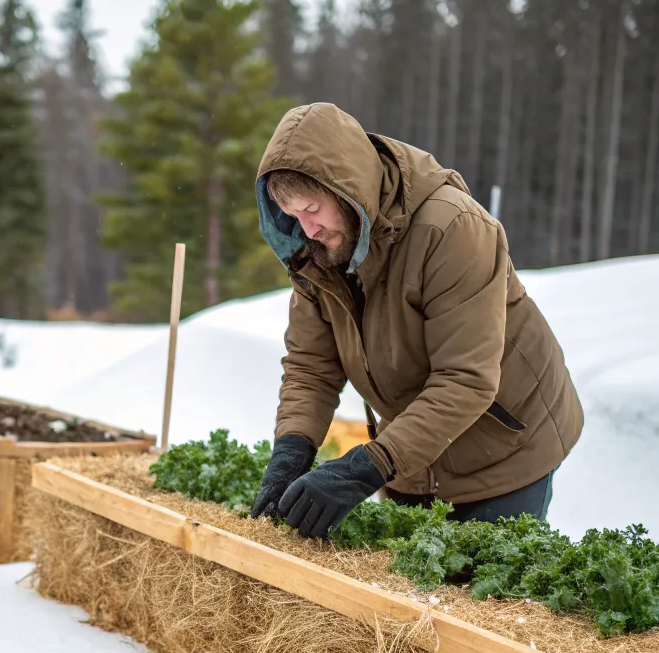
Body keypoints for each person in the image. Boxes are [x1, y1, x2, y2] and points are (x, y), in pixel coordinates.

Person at [249, 103, 583, 539]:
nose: (307, 229)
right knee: (403, 597)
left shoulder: (451, 229)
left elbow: (466, 379)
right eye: (292, 215)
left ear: (348, 189)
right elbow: (312, 367)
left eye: (313, 207)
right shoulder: (318, 252)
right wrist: (290, 452)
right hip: (414, 447)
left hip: (505, 445)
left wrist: (365, 466)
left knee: (473, 598)